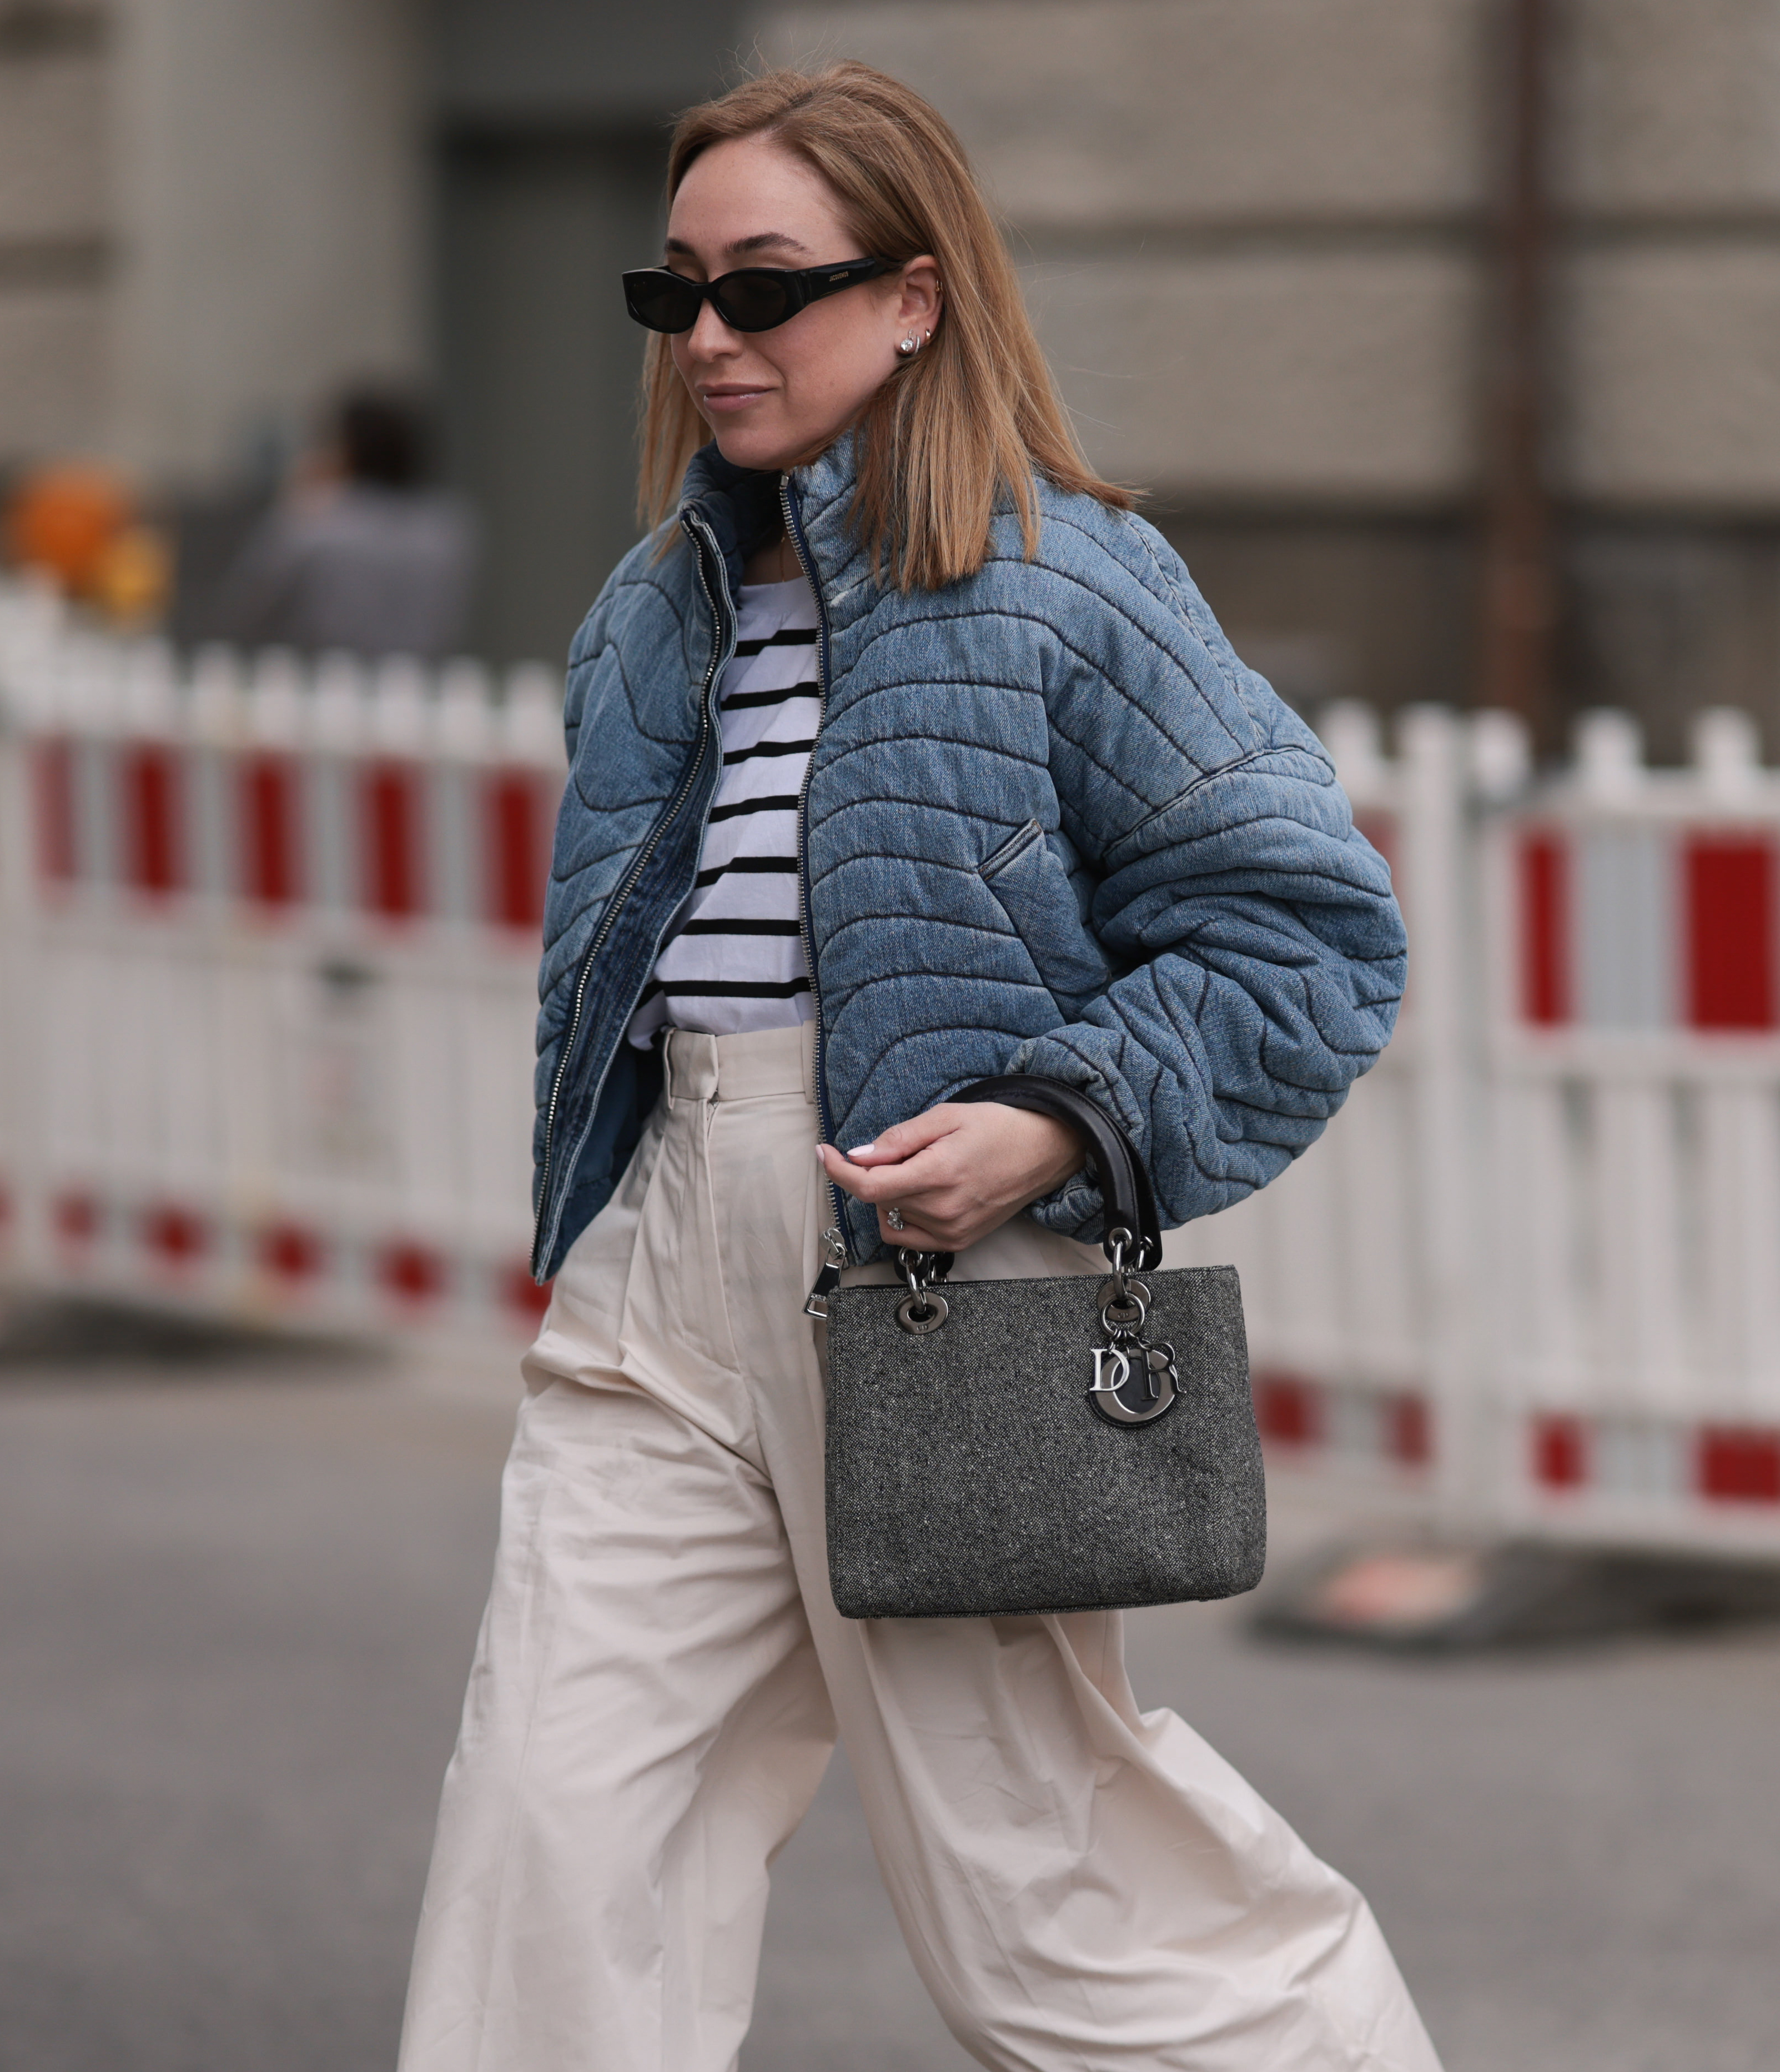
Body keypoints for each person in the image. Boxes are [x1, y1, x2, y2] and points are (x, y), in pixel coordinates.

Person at [398, 62, 1439, 2072]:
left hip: (932, 1279)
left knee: (1049, 1902)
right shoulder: (650, 618)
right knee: (545, 1830)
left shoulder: (1067, 580)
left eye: (764, 285)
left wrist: (1061, 1116)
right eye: (676, 291)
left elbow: (1307, 933)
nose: (709, 337)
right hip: (662, 1279)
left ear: (913, 297)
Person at [204, 388, 475, 658]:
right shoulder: (448, 528)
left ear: (349, 449)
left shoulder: (318, 527)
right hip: (424, 682)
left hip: (330, 680)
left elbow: (250, 604)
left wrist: (296, 503)